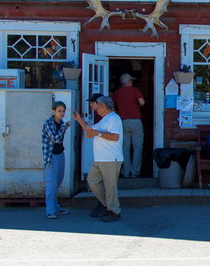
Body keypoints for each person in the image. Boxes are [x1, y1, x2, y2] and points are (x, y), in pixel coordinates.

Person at [73, 94, 123, 222]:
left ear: (103, 105)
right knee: (92, 181)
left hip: (111, 158)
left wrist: (98, 133)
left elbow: (115, 137)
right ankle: (107, 205)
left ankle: (114, 211)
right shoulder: (104, 119)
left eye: (94, 104)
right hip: (100, 158)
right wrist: (79, 120)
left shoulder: (114, 118)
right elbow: (90, 131)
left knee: (110, 186)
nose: (91, 106)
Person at [112, 73, 145, 179]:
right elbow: (142, 102)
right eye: (131, 80)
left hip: (123, 121)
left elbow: (112, 108)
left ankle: (126, 171)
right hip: (135, 121)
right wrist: (136, 107)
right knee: (137, 147)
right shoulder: (135, 90)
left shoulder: (116, 93)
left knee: (124, 148)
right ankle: (135, 172)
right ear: (129, 82)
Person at [42, 101, 70, 219]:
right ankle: (50, 210)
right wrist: (64, 127)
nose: (62, 113)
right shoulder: (48, 123)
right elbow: (55, 138)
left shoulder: (61, 122)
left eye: (63, 111)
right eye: (59, 111)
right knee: (51, 183)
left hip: (60, 154)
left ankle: (55, 207)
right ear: (53, 111)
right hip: (51, 155)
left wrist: (63, 126)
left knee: (57, 181)